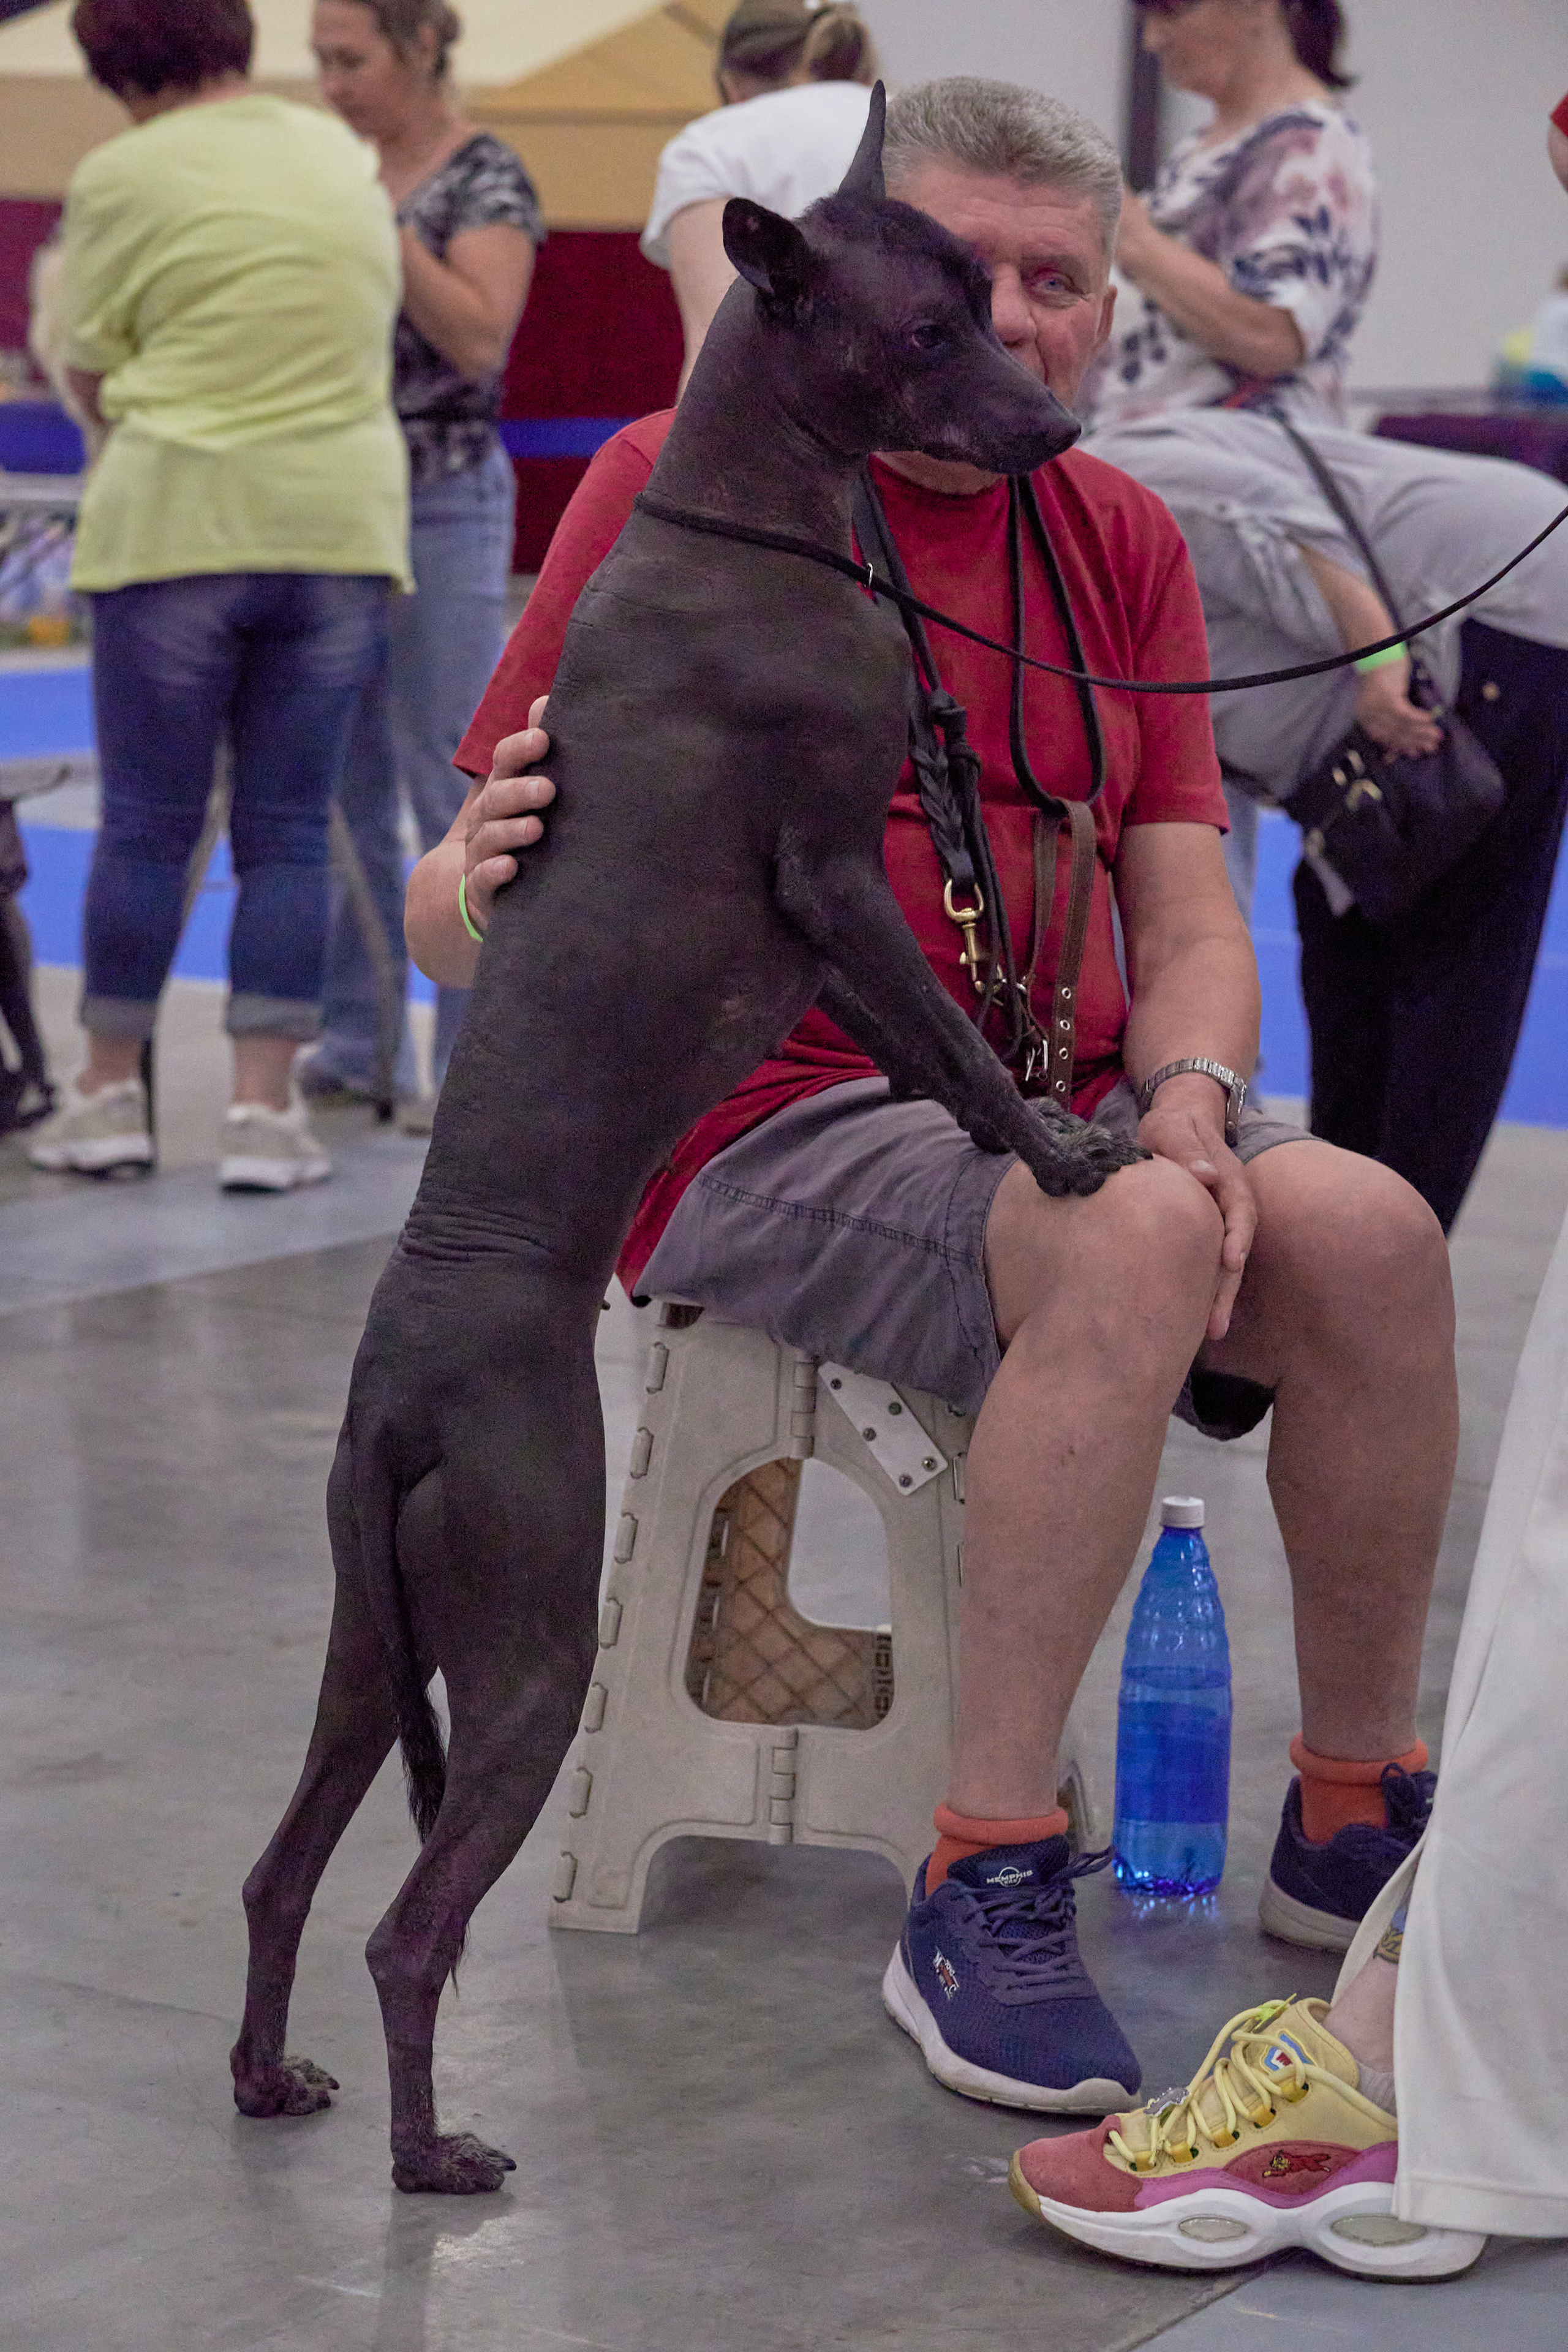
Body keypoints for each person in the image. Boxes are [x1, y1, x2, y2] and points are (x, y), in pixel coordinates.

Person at [408, 77, 1455, 2119]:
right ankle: (982, 1876)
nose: (1013, 327)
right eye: (959, 279)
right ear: (861, 274)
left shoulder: (1117, 533)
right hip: (753, 1119)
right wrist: (488, 876)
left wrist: (1191, 1086)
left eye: (1056, 286)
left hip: (1050, 1094)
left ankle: (1351, 1812)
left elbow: (1183, 895)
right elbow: (458, 905)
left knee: (1371, 1230)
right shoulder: (669, 476)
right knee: (1136, 1231)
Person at [1008, 92, 1568, 2277]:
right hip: (1402, 676)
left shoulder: (1137, 445)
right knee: (1332, 1126)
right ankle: (1410, 2015)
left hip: (1464, 666)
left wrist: (1376, 692)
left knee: (1394, 1167)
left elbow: (1282, 512)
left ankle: (1415, 2085)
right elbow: (1175, 844)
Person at [28, 0, 405, 1193]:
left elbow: (84, 356)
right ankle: (263, 1119)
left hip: (177, 523)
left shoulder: (121, 172)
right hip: (340, 524)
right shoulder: (337, 154)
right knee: (288, 830)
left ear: (112, 68)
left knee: (147, 821)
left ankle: (105, 1101)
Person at [1085, 408, 1568, 1234]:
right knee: (1338, 932)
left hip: (1499, 611)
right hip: (1408, 665)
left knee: (1452, 965)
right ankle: (1331, 1236)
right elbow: (1200, 849)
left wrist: (1380, 665)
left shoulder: (1110, 483)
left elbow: (1292, 523)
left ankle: (1385, 1259)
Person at [303, 0, 540, 1124]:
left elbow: (481, 339)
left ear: (419, 48)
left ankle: (465, 1061)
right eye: (318, 63)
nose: (331, 82)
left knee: (451, 781)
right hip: (328, 505)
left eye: (348, 60)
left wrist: (375, 225)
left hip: (439, 501)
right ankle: (354, 1040)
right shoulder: (316, 161)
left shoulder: (486, 176)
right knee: (337, 785)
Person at [1087, 0, 1376, 431]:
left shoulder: (1309, 147)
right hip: (1161, 456)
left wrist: (1135, 239)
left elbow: (1274, 335)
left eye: (1171, 13)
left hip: (1233, 467)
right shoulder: (1205, 147)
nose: (1153, 39)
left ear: (1257, 8)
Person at [642, 0, 875, 391]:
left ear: (731, 81)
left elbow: (716, 344)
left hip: (791, 421)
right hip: (937, 417)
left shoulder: (709, 145)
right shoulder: (919, 121)